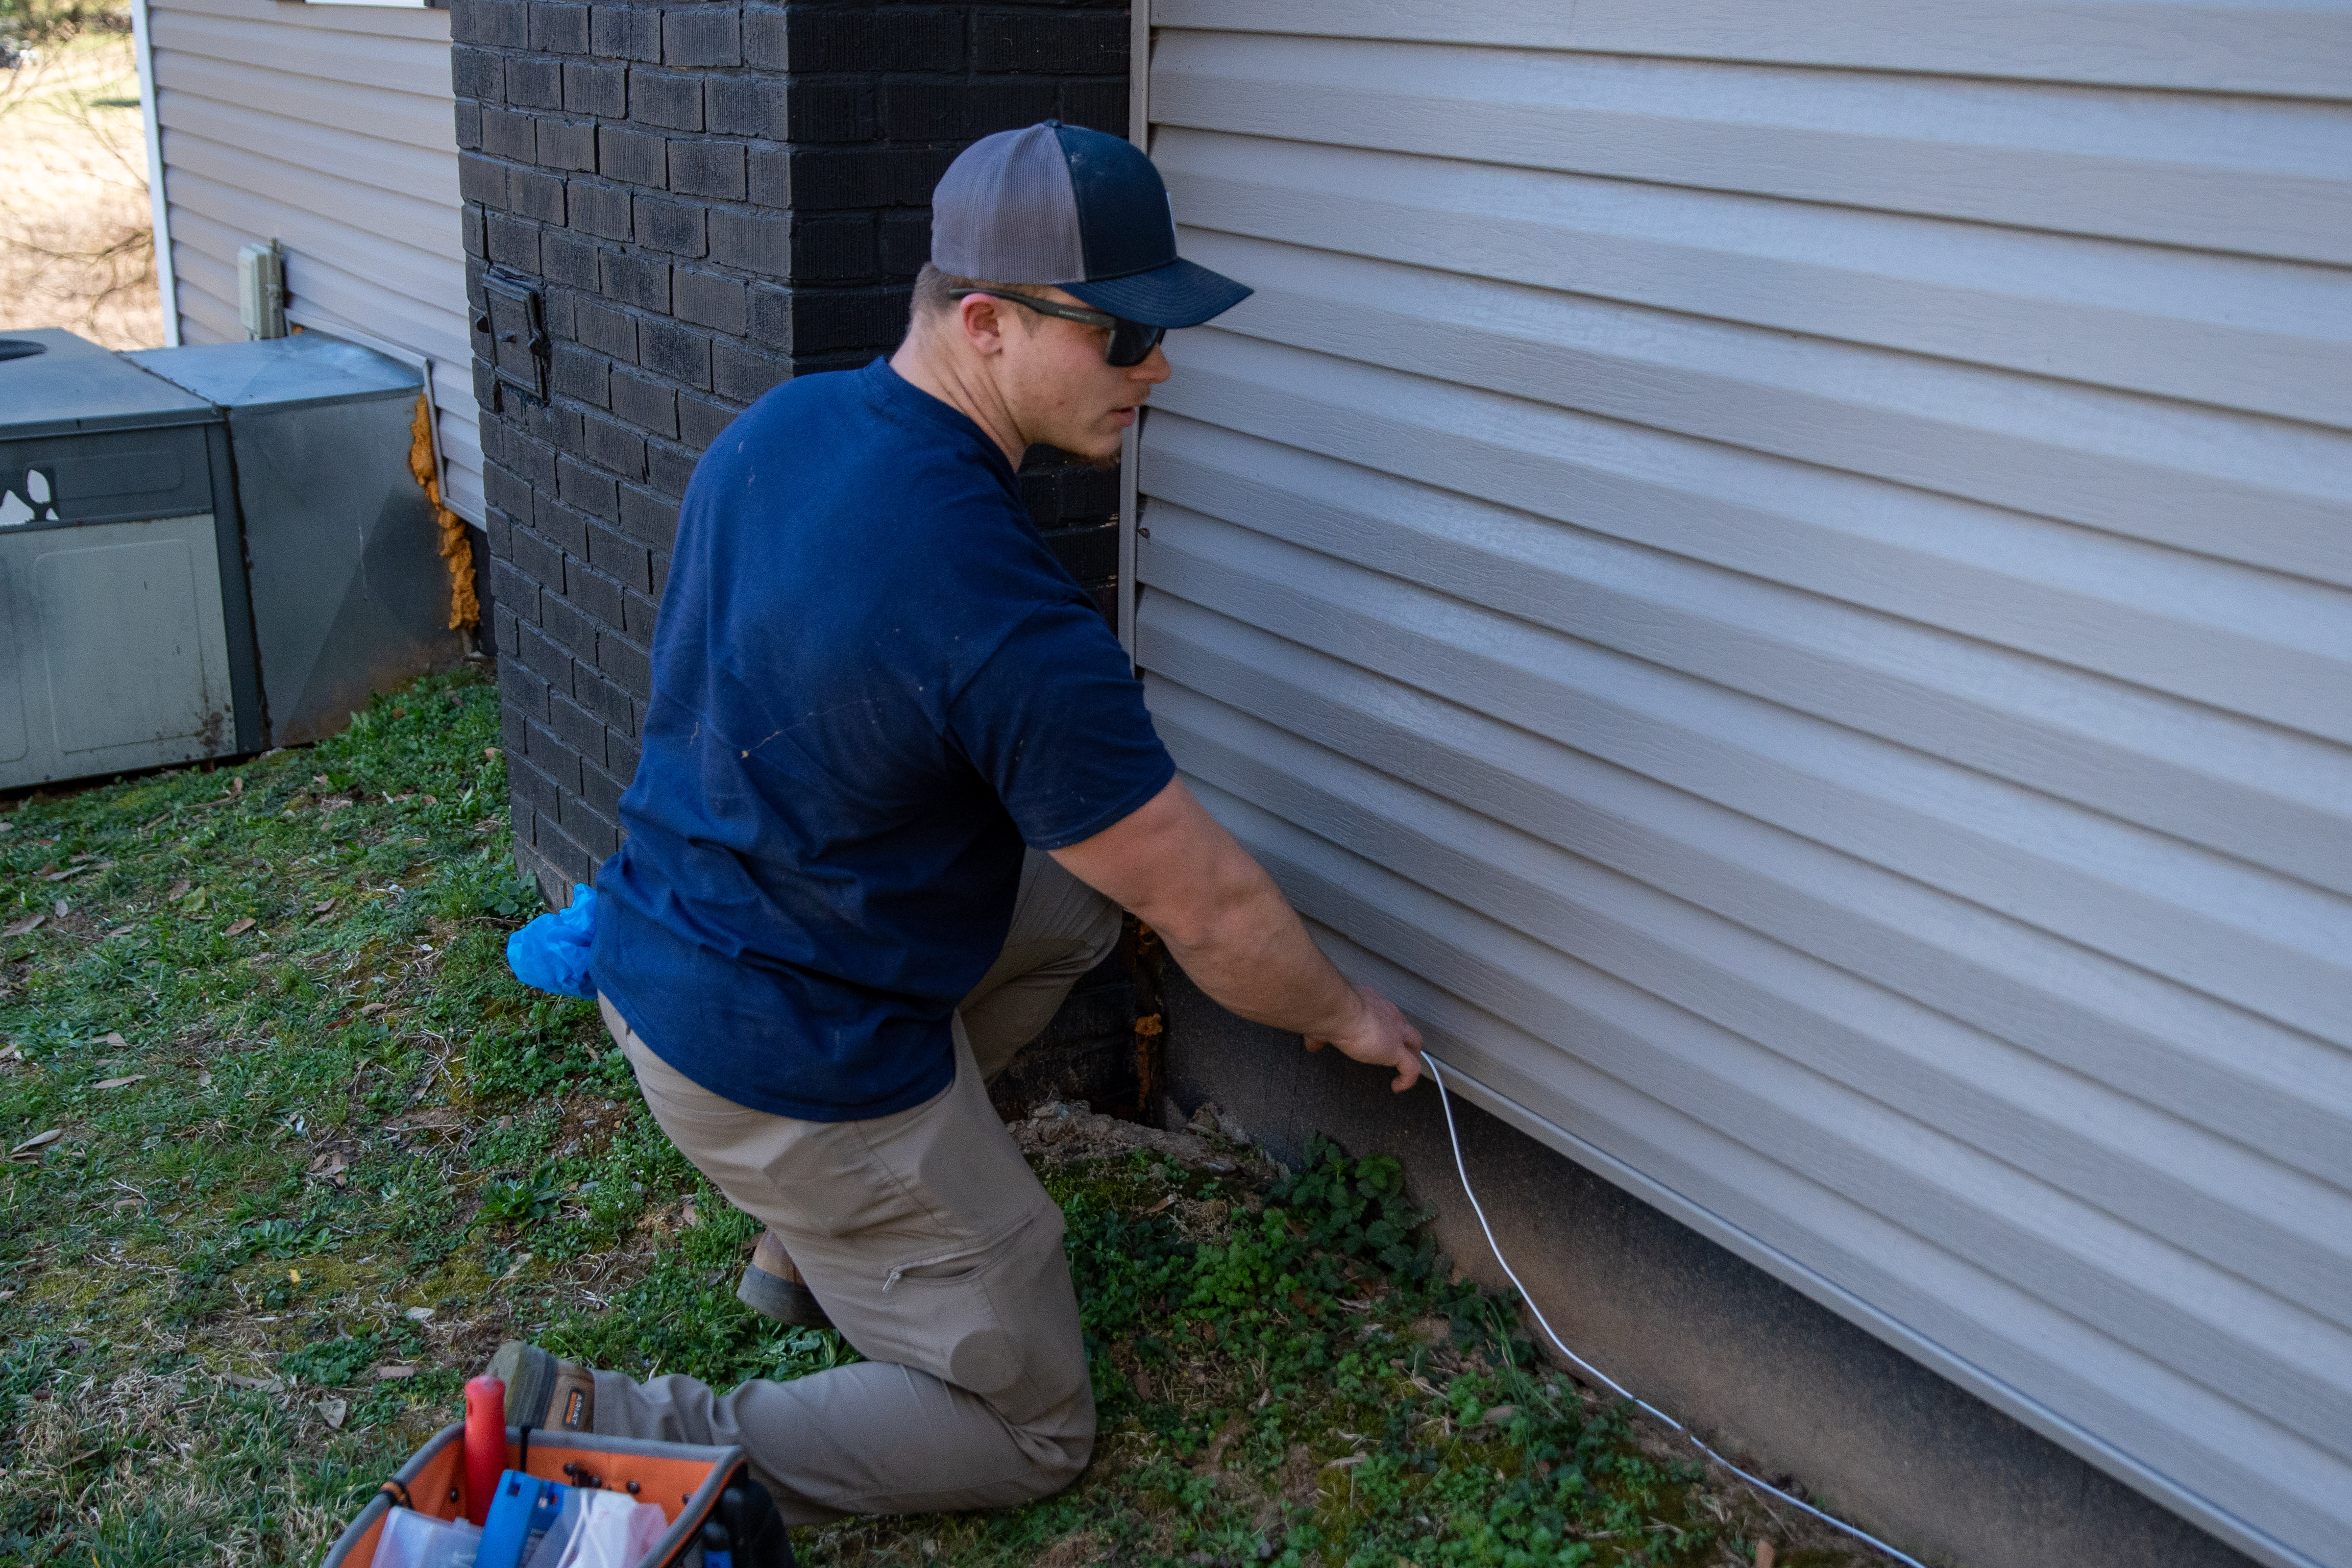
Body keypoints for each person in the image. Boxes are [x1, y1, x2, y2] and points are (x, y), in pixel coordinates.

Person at [483, 120, 1424, 1525]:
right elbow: (1211, 907)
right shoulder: (1001, 616)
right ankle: (614, 1435)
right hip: (780, 1051)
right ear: (985, 322)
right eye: (1122, 336)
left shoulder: (787, 428)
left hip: (673, 946)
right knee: (1028, 1427)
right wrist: (1345, 1015)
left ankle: (816, 1241)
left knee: (1074, 901)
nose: (1157, 370)